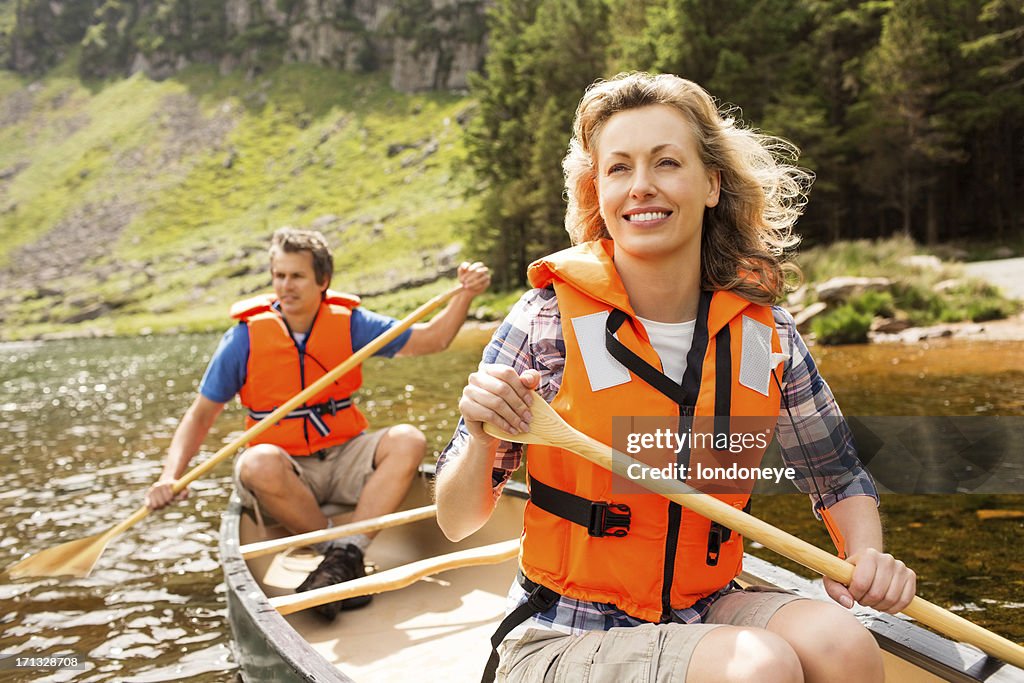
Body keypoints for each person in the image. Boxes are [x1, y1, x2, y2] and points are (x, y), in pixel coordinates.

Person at [434, 73, 916, 682]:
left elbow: (838, 474)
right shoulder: (546, 321)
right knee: (758, 667)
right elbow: (455, 519)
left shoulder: (765, 334)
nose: (642, 187)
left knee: (843, 645)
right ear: (599, 191)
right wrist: (481, 436)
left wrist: (866, 555)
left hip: (702, 605)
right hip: (563, 627)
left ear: (712, 183)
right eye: (618, 168)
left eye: (666, 162)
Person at [146, 227, 490, 620]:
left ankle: (344, 554)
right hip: (288, 471)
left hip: (344, 455)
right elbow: (201, 414)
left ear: (322, 281)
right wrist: (171, 475)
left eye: (296, 276)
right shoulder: (243, 338)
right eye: (279, 276)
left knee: (408, 439)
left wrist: (465, 295)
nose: (285, 286)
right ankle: (342, 553)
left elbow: (432, 340)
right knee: (255, 462)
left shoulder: (350, 323)